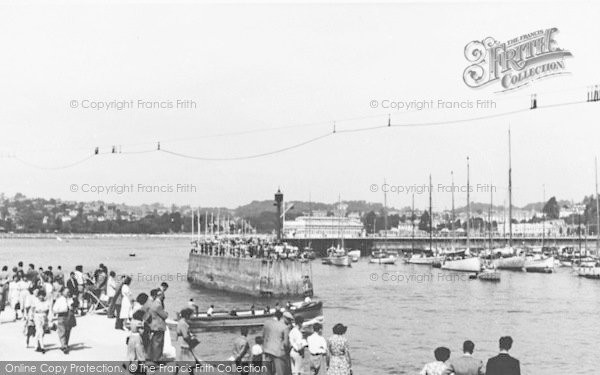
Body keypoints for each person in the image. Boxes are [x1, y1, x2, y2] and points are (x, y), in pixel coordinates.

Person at [262, 309, 289, 375]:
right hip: (278, 352)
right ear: (281, 317)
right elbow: (286, 343)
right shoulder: (284, 327)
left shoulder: (266, 323)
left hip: (267, 350)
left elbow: (264, 336)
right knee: (280, 372)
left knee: (268, 372)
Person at [148, 288, 169, 362]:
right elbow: (164, 316)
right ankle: (157, 359)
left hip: (154, 325)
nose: (164, 296)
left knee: (155, 342)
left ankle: (153, 357)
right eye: (163, 295)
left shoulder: (154, 303)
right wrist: (166, 313)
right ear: (160, 295)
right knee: (158, 343)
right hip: (159, 326)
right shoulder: (158, 304)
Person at [176, 307, 199, 374]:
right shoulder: (184, 324)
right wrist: (192, 340)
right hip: (184, 344)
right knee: (190, 361)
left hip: (180, 343)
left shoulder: (180, 322)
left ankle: (175, 373)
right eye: (191, 315)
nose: (192, 316)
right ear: (187, 315)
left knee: (180, 361)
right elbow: (185, 336)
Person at [53, 287, 74, 354]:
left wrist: (72, 307)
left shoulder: (70, 299)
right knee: (62, 331)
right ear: (62, 292)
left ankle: (66, 344)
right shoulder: (59, 300)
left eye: (69, 292)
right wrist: (62, 310)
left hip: (69, 316)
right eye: (66, 292)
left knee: (68, 330)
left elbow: (74, 306)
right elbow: (54, 309)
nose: (68, 293)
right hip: (61, 316)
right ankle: (64, 345)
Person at [33, 289, 51, 354]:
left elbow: (48, 310)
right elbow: (32, 310)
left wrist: (48, 318)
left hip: (44, 317)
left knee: (40, 332)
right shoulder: (35, 301)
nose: (41, 297)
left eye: (42, 296)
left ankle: (36, 345)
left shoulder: (47, 302)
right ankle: (42, 347)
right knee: (40, 331)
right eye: (39, 296)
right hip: (37, 316)